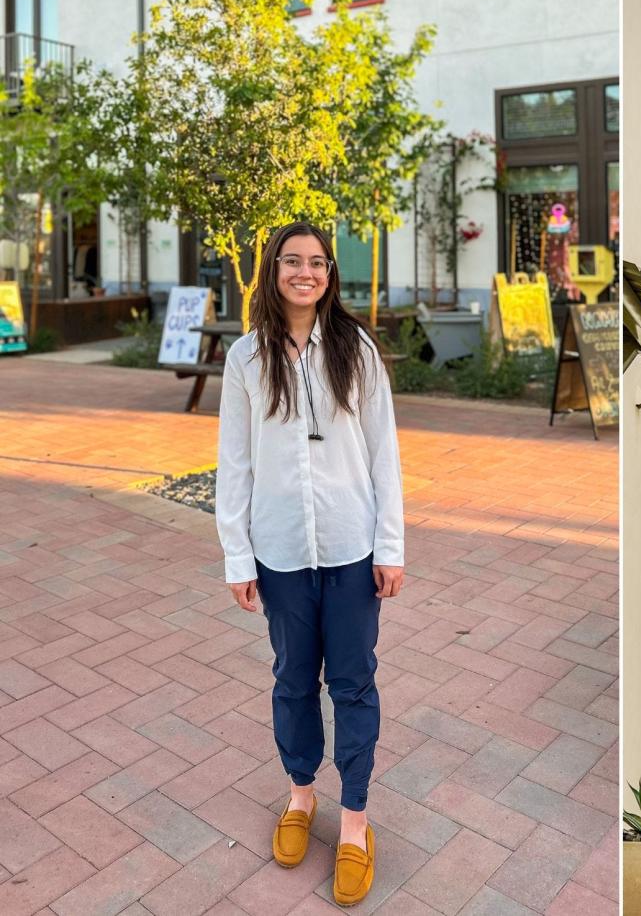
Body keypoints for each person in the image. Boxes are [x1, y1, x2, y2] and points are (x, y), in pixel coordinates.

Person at [215, 221, 404, 907]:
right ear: (274, 270)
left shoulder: (356, 349)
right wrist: (238, 554)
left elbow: (384, 454)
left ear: (330, 274)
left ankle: (354, 820)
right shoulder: (245, 358)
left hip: (353, 549)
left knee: (353, 684)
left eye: (317, 262)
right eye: (292, 261)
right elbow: (233, 465)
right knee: (293, 680)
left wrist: (391, 547)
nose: (305, 272)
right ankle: (301, 795)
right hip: (282, 552)